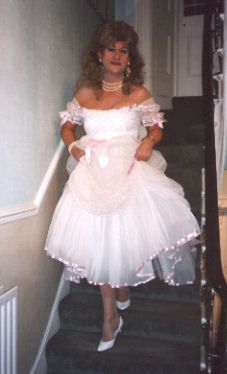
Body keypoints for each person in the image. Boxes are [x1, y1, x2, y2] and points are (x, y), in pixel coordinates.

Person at [45, 21, 200, 352]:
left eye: (123, 50)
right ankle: (110, 317)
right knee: (100, 244)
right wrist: (73, 147)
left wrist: (148, 142)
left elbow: (155, 129)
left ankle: (122, 292)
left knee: (119, 240)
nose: (117, 55)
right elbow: (67, 128)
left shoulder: (139, 93)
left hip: (128, 171)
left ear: (130, 58)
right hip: (92, 175)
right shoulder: (84, 94)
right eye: (111, 49)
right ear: (99, 55)